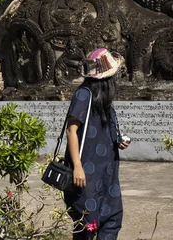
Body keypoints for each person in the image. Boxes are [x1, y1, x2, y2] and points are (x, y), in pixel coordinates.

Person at [64, 48, 130, 240]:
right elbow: (71, 130)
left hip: (107, 173)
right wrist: (77, 166)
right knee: (87, 225)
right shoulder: (84, 95)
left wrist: (119, 141)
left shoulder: (105, 101)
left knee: (112, 219)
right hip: (86, 174)